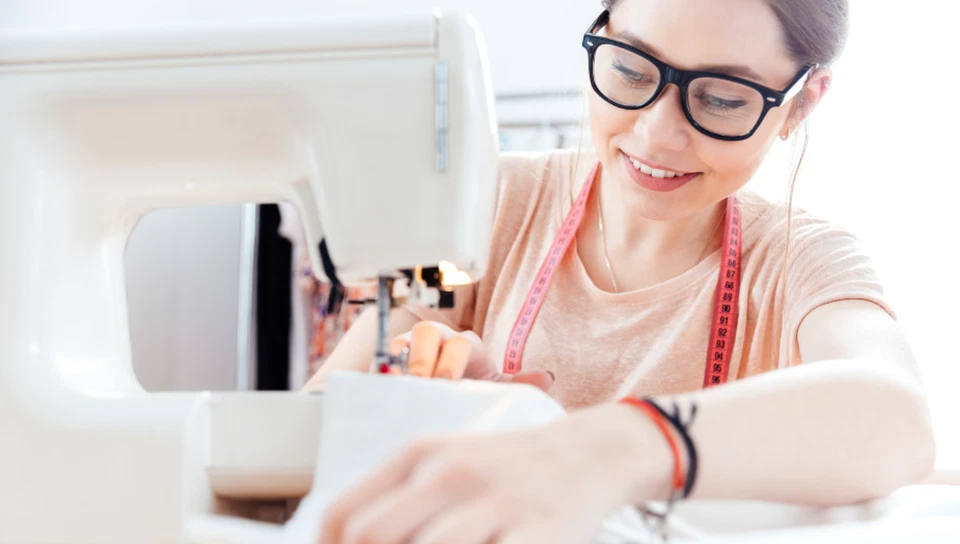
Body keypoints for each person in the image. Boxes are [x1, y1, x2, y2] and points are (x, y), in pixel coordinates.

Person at [304, 0, 936, 542]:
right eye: (631, 70)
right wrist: (414, 405)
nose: (657, 134)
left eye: (720, 99)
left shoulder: (801, 262)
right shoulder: (485, 205)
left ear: (801, 104)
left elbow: (898, 420)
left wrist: (607, 449)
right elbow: (307, 436)